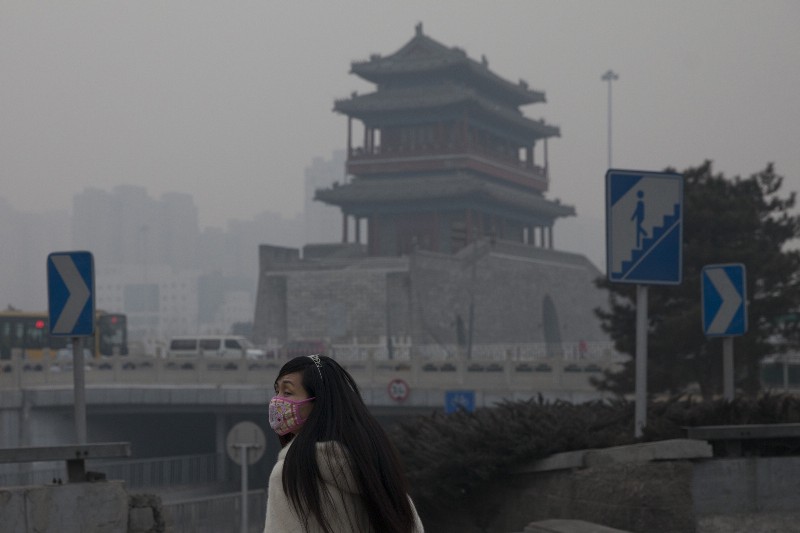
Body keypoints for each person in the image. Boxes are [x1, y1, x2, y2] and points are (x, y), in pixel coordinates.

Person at [263, 354, 424, 533]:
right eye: (277, 391)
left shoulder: (290, 474)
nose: (277, 401)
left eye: (287, 392)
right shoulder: (379, 471)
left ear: (319, 402)